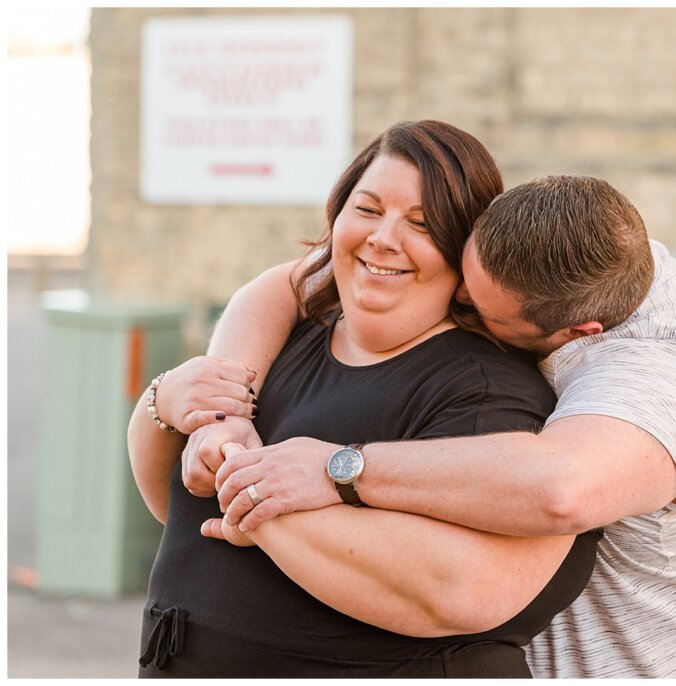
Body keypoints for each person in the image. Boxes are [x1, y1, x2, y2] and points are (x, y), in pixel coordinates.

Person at [178, 176, 676, 678]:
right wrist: (223, 403)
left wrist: (336, 469)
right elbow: (291, 281)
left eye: (474, 310)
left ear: (576, 334)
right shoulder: (564, 243)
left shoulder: (666, 371)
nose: (454, 305)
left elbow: (558, 489)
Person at [125, 120, 600, 678]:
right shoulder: (280, 336)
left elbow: (449, 588)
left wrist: (254, 504)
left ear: (467, 252)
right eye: (368, 209)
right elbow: (175, 508)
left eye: (421, 224)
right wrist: (164, 403)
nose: (383, 238)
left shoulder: (482, 389)